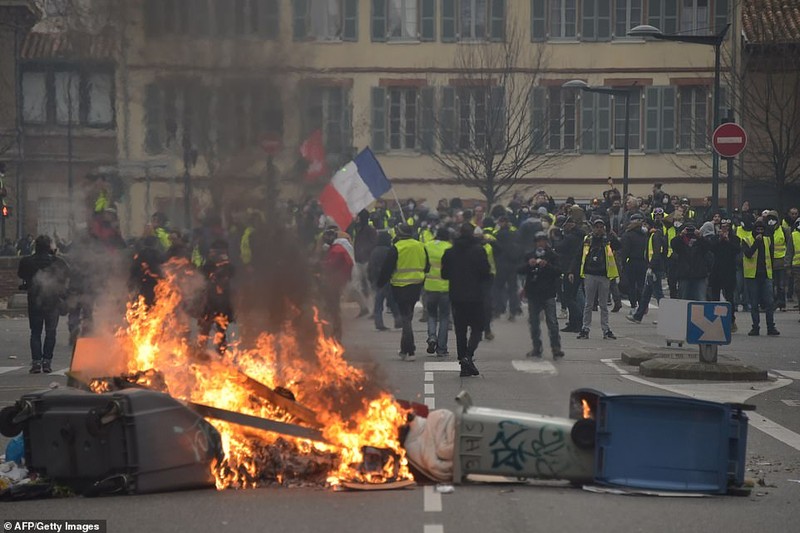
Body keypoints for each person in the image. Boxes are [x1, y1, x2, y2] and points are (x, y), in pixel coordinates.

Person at [442, 223, 490, 377]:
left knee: (460, 331)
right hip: (476, 296)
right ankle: (468, 355)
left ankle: (463, 363)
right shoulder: (479, 250)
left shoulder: (449, 252)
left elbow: (444, 274)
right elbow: (485, 272)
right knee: (477, 328)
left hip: (457, 296)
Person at [18, 235, 70, 374]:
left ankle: (36, 363)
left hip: (35, 300)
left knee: (35, 332)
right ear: (49, 246)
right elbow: (66, 276)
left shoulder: (27, 261)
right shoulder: (58, 262)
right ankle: (47, 362)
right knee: (50, 332)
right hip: (52, 300)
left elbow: (22, 275)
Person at [378, 224, 429, 361]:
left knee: (406, 318)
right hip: (416, 286)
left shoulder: (397, 248)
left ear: (399, 234)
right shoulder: (420, 246)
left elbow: (387, 268)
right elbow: (427, 266)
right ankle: (404, 349)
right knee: (408, 316)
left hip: (400, 286)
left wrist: (379, 284)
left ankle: (410, 350)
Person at [520, 232, 564, 360]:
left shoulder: (552, 255)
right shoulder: (529, 255)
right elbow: (520, 270)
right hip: (533, 293)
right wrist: (529, 265)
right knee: (534, 322)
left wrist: (547, 265)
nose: (541, 244)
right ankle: (536, 347)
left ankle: (556, 348)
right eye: (538, 241)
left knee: (552, 322)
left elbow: (559, 271)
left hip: (548, 293)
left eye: (543, 241)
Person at [578, 219, 620, 340]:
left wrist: (612, 236)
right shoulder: (588, 240)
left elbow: (619, 246)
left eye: (601, 227)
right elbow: (579, 254)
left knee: (603, 305)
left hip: (604, 275)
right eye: (597, 227)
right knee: (588, 304)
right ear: (593, 228)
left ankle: (606, 329)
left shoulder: (608, 240)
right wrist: (572, 271)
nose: (599, 229)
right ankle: (585, 328)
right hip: (590, 274)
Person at [741, 220, 779, 336]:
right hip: (752, 276)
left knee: (769, 302)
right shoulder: (747, 239)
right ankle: (755, 327)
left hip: (766, 274)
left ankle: (770, 327)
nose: (760, 232)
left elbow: (771, 256)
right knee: (754, 303)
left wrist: (772, 272)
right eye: (758, 230)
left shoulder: (767, 240)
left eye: (762, 230)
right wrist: (756, 243)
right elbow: (748, 253)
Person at [197, 239, 235, 354]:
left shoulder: (228, 266)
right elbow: (202, 276)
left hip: (222, 302)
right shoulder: (208, 265)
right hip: (209, 299)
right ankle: (201, 350)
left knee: (221, 327)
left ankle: (221, 350)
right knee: (205, 326)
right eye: (214, 252)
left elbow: (231, 274)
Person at [320, 228, 354, 341]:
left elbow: (330, 265)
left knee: (333, 310)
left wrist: (319, 265)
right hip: (337, 282)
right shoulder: (337, 248)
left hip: (335, 283)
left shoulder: (337, 250)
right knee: (333, 309)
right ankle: (334, 335)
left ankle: (335, 336)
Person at [424, 227, 453, 356]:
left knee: (431, 315)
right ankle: (441, 348)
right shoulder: (450, 248)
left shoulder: (427, 245)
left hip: (430, 286)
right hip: (446, 287)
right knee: (444, 317)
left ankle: (431, 337)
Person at [708, 218, 741, 332]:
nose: (724, 229)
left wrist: (728, 241)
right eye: (722, 227)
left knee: (730, 297)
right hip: (716, 271)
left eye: (727, 227)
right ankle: (715, 320)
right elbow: (712, 249)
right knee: (715, 297)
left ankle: (731, 320)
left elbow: (737, 250)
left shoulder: (735, 239)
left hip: (729, 271)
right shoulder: (714, 238)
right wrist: (720, 240)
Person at [368, 231, 401, 331]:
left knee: (378, 302)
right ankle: (398, 320)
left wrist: (371, 279)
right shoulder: (389, 250)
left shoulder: (374, 251)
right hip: (387, 279)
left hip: (377, 279)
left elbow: (370, 267)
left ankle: (379, 322)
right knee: (392, 301)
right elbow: (394, 265)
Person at [670, 223, 712, 301]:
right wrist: (681, 235)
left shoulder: (700, 241)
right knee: (683, 299)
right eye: (688, 230)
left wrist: (700, 237)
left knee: (701, 299)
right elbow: (673, 244)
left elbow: (708, 247)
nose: (690, 232)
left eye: (692, 230)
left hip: (699, 275)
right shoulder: (681, 242)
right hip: (684, 275)